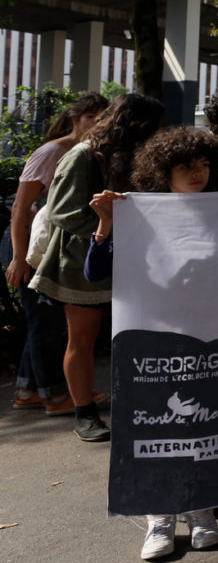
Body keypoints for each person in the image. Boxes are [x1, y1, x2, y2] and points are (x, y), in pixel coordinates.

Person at [85, 126, 218, 559]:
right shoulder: (138, 215)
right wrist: (106, 223)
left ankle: (201, 508)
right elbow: (95, 272)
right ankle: (158, 515)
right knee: (153, 427)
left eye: (203, 164)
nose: (197, 173)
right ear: (163, 171)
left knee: (204, 424)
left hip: (211, 338)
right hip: (151, 340)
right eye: (185, 166)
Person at [29, 92, 164, 442]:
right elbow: (62, 211)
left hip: (131, 258)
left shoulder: (133, 155)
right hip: (80, 261)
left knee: (135, 336)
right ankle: (84, 414)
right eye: (150, 126)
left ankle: (136, 405)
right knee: (82, 339)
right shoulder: (82, 155)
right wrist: (111, 225)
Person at [7, 92, 107, 415]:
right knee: (46, 324)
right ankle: (55, 396)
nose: (98, 123)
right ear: (75, 118)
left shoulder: (93, 152)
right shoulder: (52, 152)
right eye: (91, 116)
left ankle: (27, 391)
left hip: (51, 246)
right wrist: (19, 257)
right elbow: (20, 208)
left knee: (43, 322)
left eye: (103, 117)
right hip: (32, 248)